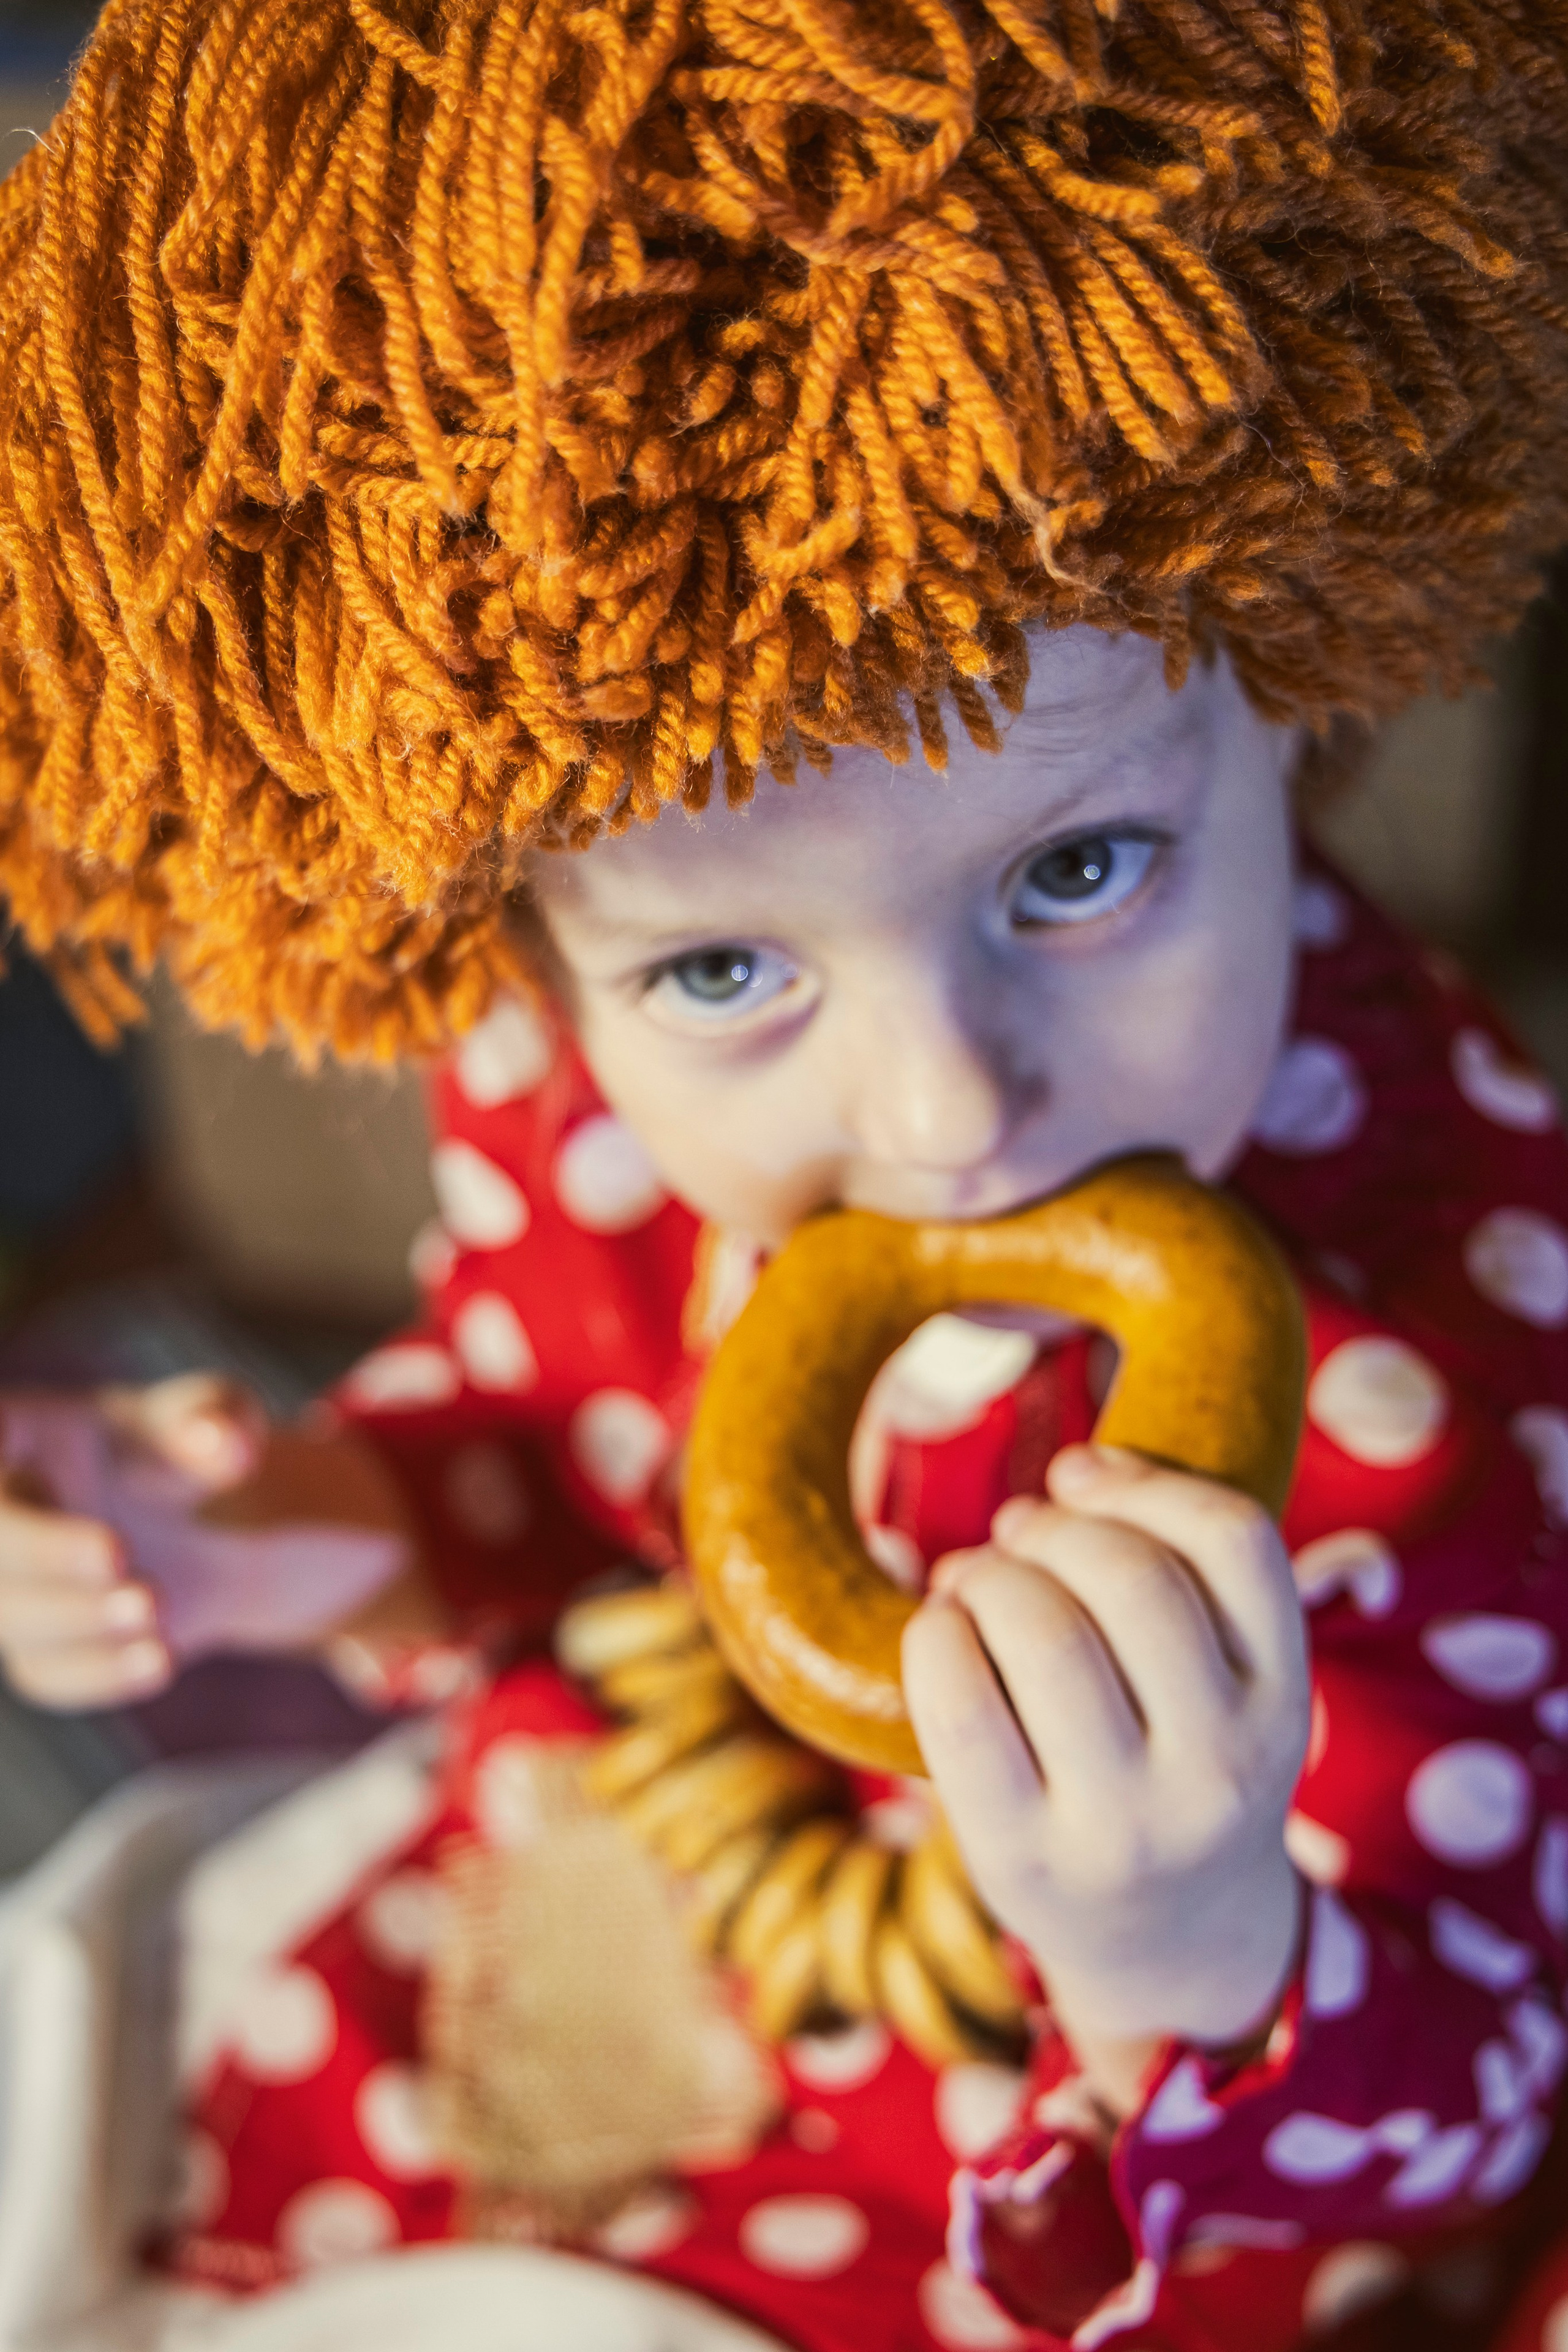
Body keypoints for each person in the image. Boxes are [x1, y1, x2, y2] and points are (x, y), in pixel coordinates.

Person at [0, 0, 1566, 2345]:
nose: (946, 1114)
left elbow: (1496, 2089)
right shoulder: (579, 1083)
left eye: (1084, 869)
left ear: (1297, 700)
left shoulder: (1476, 1319)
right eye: (727, 977)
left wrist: (1184, 1938)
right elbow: (544, 1460)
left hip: (1104, 2209)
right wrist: (246, 1539)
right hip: (550, 2005)